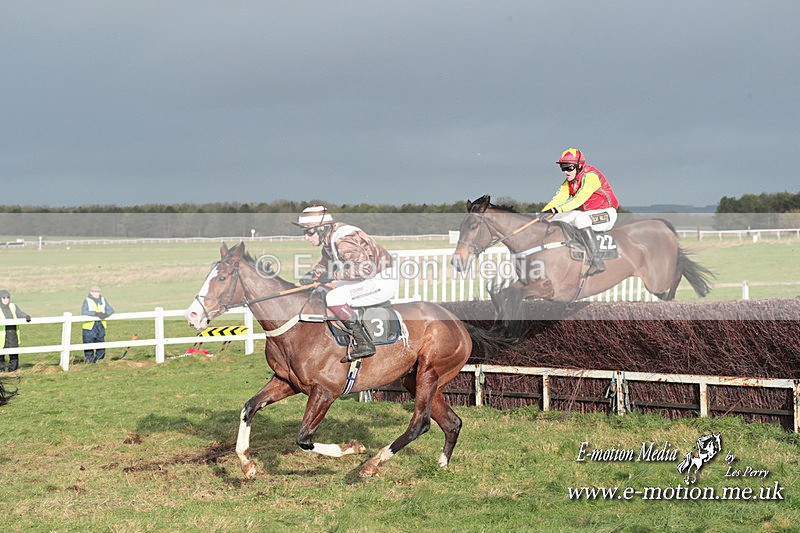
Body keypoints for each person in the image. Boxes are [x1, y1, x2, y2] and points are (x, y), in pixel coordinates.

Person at [293, 205, 397, 361]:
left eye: (309, 232)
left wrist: (330, 275)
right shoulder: (329, 241)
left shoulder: (343, 240)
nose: (306, 237)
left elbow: (365, 270)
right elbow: (325, 264)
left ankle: (364, 343)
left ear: (322, 228)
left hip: (380, 280)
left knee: (334, 298)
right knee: (321, 289)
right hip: (367, 279)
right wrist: (313, 274)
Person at [540, 147, 620, 275]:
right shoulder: (568, 182)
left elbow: (578, 199)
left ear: (579, 166)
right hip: (588, 214)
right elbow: (558, 199)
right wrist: (543, 213)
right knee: (556, 218)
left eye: (569, 168)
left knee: (580, 219)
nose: (566, 172)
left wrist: (555, 209)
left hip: (607, 213)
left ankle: (597, 261)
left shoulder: (591, 176)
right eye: (563, 168)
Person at [81, 285, 115, 363]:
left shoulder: (103, 300)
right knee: (88, 343)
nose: (96, 294)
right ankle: (89, 361)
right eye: (95, 292)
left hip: (100, 325)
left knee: (100, 342)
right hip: (89, 326)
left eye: (98, 292)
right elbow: (84, 312)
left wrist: (105, 314)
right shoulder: (87, 300)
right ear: (91, 293)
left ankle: (99, 360)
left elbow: (111, 310)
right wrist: (96, 314)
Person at [0, 290, 31, 372]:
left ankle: (13, 371)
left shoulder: (13, 306)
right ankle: (1, 371)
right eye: (4, 297)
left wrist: (26, 316)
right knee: (0, 355)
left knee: (14, 353)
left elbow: (19, 313)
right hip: (1, 337)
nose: (6, 299)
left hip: (12, 334)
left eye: (8, 297)